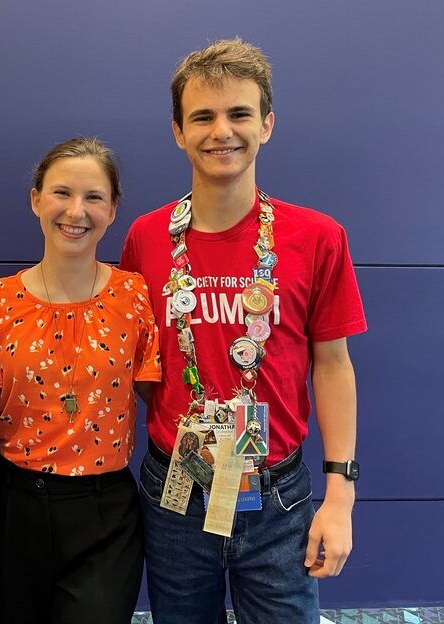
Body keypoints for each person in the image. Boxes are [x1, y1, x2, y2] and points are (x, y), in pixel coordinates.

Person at [120, 38, 367, 623]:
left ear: (268, 124)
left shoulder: (317, 236)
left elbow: (333, 366)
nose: (221, 131)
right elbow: (142, 365)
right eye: (202, 116)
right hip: (175, 488)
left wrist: (342, 495)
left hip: (279, 496)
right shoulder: (146, 239)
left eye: (239, 114)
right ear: (178, 131)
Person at [0, 138, 162, 624]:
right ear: (36, 199)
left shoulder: (134, 294)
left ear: (113, 209)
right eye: (61, 193)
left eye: (94, 197)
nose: (76, 211)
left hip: (106, 513)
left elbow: (159, 394)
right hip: (15, 506)